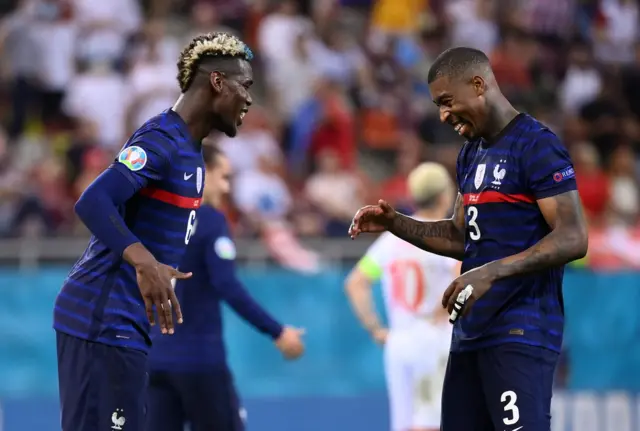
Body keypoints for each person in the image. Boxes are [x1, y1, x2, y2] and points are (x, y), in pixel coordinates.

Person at [349, 47, 588, 431]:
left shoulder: (537, 145)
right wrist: (398, 224)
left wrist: (490, 272)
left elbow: (574, 238)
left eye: (446, 101)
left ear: (478, 85)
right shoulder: (470, 154)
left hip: (519, 332)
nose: (442, 115)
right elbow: (462, 236)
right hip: (468, 334)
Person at [53, 32, 254, 431]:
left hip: (126, 328)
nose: (249, 99)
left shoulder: (194, 154)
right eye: (245, 86)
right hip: (100, 321)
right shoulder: (161, 138)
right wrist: (144, 261)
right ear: (217, 82)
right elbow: (93, 201)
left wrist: (159, 262)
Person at [146, 145, 305, 431]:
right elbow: (226, 285)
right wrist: (277, 331)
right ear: (201, 174)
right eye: (222, 177)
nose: (226, 187)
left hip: (155, 360)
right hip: (199, 361)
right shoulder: (209, 220)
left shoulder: (153, 218)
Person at [345, 162, 460, 431]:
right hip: (436, 337)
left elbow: (356, 283)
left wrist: (376, 329)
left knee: (404, 423)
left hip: (399, 340)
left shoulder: (392, 240)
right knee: (432, 422)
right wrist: (443, 312)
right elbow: (461, 275)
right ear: (444, 195)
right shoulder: (443, 236)